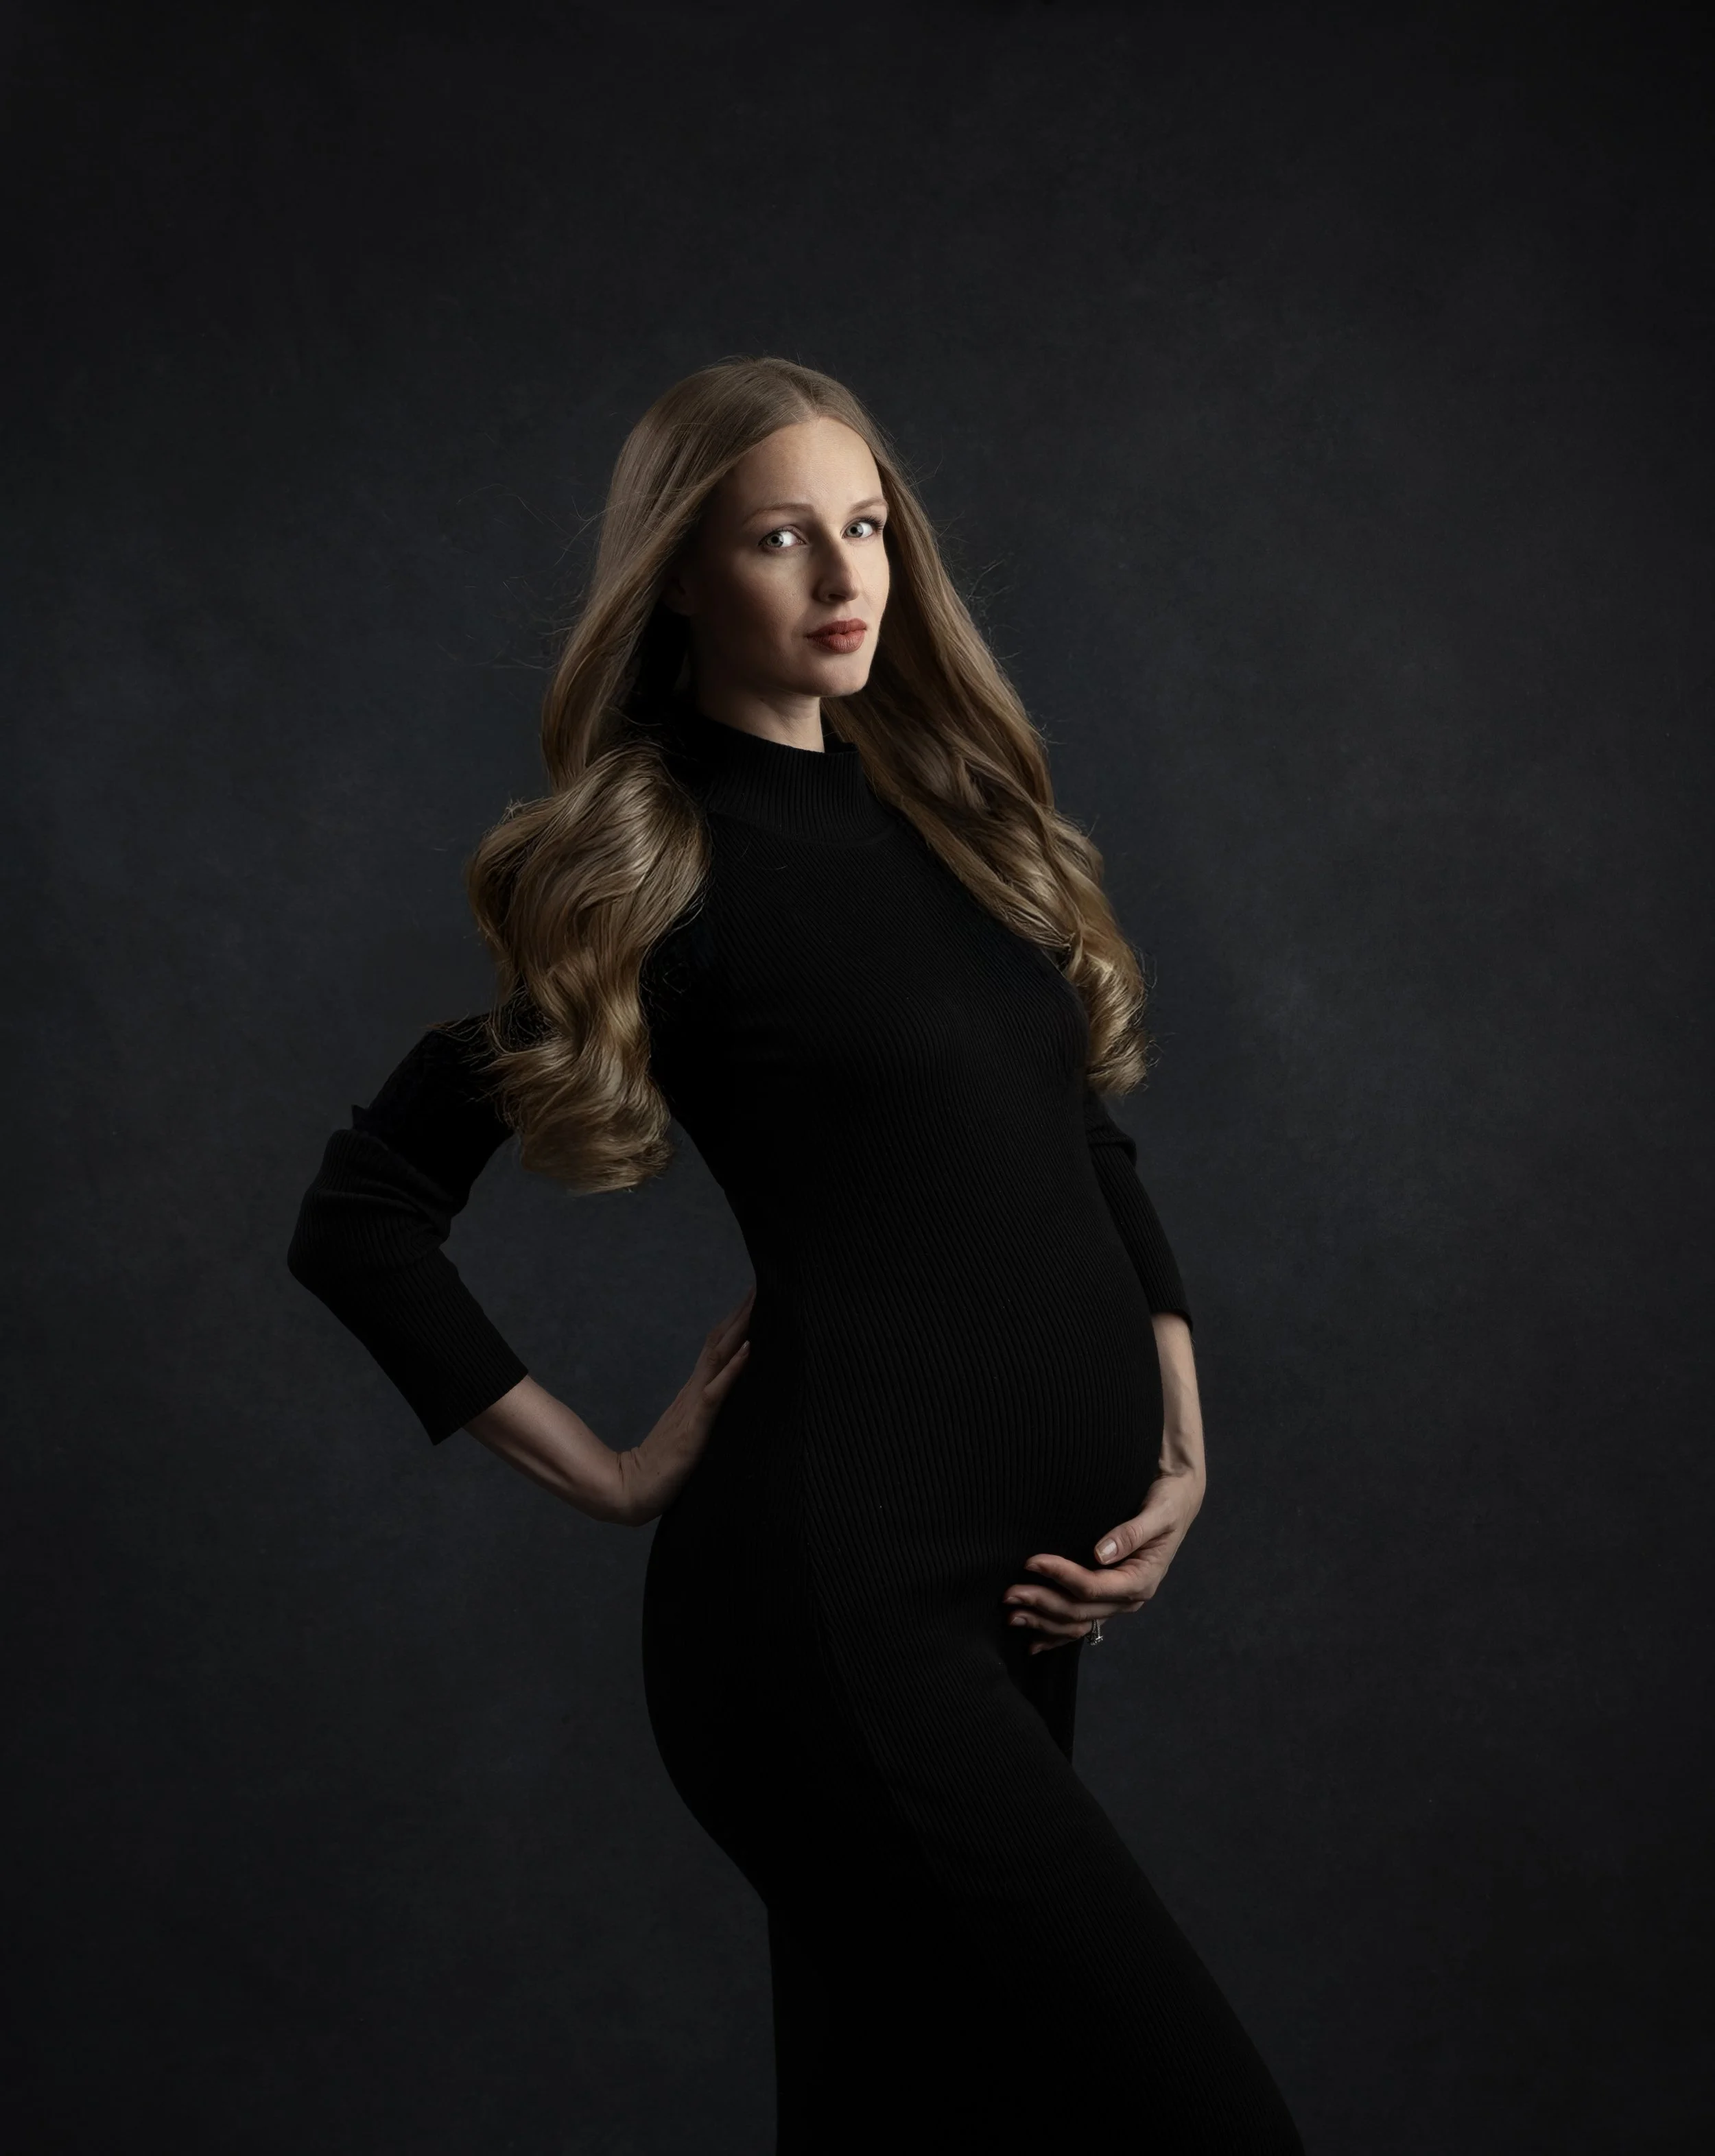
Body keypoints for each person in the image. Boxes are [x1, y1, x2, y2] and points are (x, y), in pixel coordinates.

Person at [287, 355, 1303, 2152]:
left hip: (1014, 1610)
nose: (844, 578)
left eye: (867, 529)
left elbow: (1075, 1134)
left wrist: (1180, 1427)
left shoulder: (953, 825)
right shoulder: (652, 874)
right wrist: (610, 1472)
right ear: (681, 575)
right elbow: (363, 1213)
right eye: (780, 539)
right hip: (837, 1624)